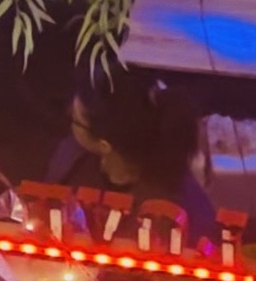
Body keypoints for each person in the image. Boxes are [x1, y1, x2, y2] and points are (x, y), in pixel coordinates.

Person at [50, 61, 216, 246]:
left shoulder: (165, 216)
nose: (69, 121)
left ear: (104, 145)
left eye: (75, 119)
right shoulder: (75, 158)